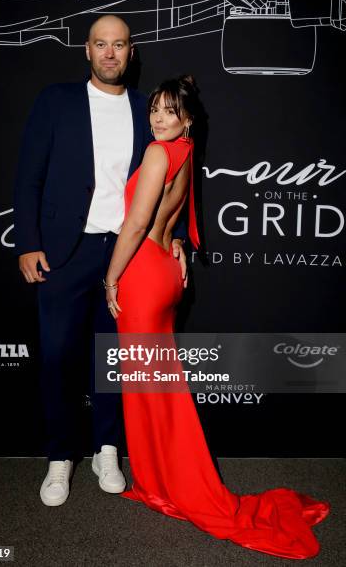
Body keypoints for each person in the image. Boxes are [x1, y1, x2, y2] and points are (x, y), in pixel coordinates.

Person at [104, 74, 330, 560]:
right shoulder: (185, 153)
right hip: (167, 269)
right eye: (154, 111)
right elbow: (174, 217)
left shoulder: (156, 154)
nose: (158, 119)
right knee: (157, 386)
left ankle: (169, 481)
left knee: (148, 389)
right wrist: (181, 243)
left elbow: (138, 223)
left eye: (169, 112)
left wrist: (110, 278)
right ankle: (159, 476)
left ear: (186, 118)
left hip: (143, 273)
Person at [13, 15, 187, 506]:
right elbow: (28, 175)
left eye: (120, 45)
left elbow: (173, 181)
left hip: (127, 254)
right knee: (59, 358)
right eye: (101, 44)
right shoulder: (56, 101)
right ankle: (59, 458)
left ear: (131, 53)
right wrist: (28, 241)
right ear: (87, 51)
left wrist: (173, 238)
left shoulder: (146, 109)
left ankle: (107, 448)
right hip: (67, 252)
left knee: (112, 361)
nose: (111, 53)